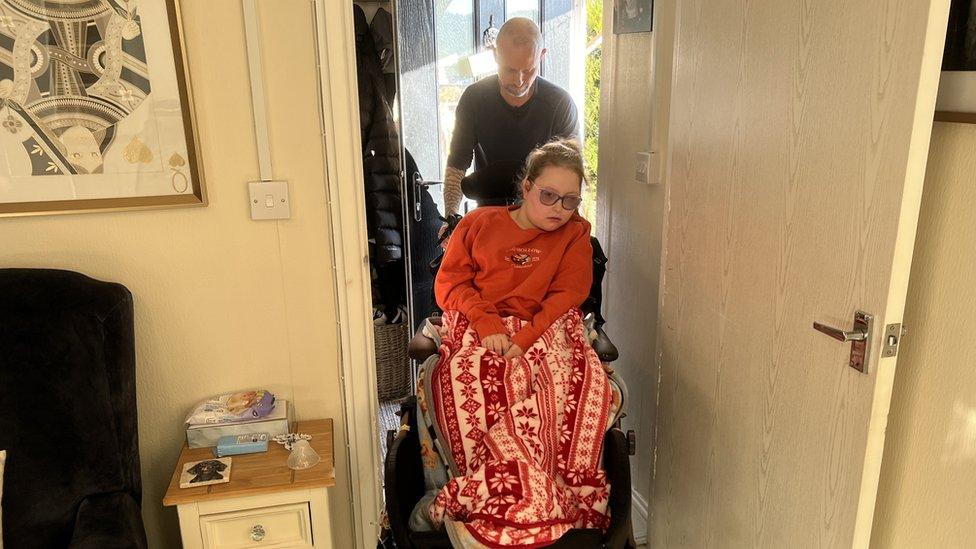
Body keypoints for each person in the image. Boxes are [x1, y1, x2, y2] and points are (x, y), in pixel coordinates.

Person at [435, 138, 591, 359]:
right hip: (478, 324)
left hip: (545, 331)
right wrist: (485, 320)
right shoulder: (477, 224)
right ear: (527, 188)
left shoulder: (575, 233)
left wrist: (527, 338)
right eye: (548, 195)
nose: (559, 208)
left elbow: (565, 298)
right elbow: (451, 284)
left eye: (570, 200)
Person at [440, 17, 580, 230]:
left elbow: (571, 175)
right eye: (510, 70)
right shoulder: (474, 99)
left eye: (528, 70)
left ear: (541, 57)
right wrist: (451, 217)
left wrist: (571, 230)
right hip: (489, 217)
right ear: (495, 55)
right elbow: (457, 164)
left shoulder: (560, 104)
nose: (519, 81)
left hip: (543, 222)